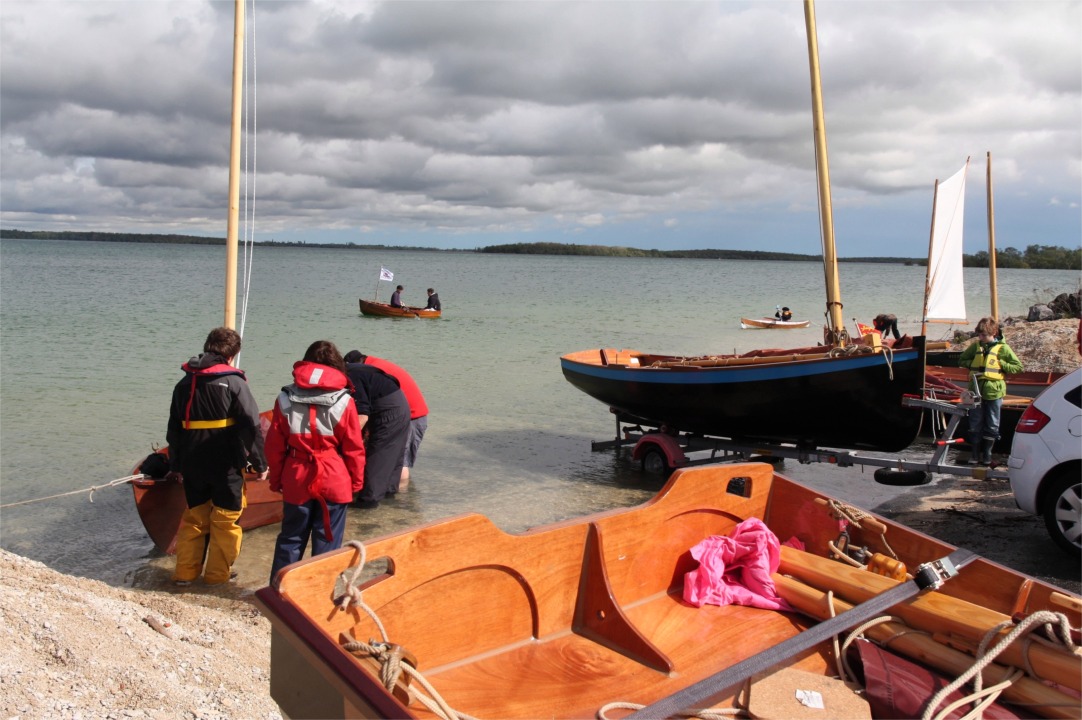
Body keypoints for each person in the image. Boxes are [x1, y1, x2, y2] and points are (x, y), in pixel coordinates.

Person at [166, 327, 268, 587]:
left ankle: (184, 575)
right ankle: (216, 578)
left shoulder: (184, 382)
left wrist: (176, 464)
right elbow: (251, 426)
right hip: (226, 465)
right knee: (225, 521)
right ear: (232, 355)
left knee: (195, 520)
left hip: (192, 464)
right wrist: (260, 463)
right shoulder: (234, 382)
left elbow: (174, 428)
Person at [265, 341, 366, 584]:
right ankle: (320, 596)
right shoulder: (345, 401)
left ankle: (280, 595)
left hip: (297, 474)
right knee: (328, 543)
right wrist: (356, 483)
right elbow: (354, 448)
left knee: (291, 538)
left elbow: (274, 446)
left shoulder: (285, 398)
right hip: (333, 477)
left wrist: (277, 480)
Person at [345, 350, 429, 492]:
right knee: (396, 461)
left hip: (411, 417)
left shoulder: (368, 371)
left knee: (401, 463)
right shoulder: (375, 366)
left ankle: (398, 498)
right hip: (413, 414)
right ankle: (394, 498)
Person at [957, 317, 1023, 465]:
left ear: (993, 333)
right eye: (979, 335)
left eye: (984, 335)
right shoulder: (975, 347)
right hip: (976, 390)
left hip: (994, 391)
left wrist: (1002, 364)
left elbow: (1018, 367)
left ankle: (987, 454)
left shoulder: (1003, 349)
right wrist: (973, 364)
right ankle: (974, 454)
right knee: (975, 422)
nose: (981, 338)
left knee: (992, 423)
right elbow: (961, 360)